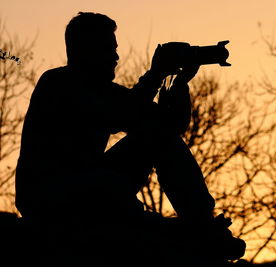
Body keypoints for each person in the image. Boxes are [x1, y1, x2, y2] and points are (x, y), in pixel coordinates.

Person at [15, 11, 245, 266]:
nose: (116, 57)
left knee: (155, 138)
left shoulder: (102, 90)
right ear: (85, 50)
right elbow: (119, 113)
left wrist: (179, 83)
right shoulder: (59, 83)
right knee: (110, 186)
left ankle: (200, 223)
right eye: (107, 48)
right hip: (53, 197)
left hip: (90, 187)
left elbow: (167, 126)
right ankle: (192, 230)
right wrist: (155, 75)